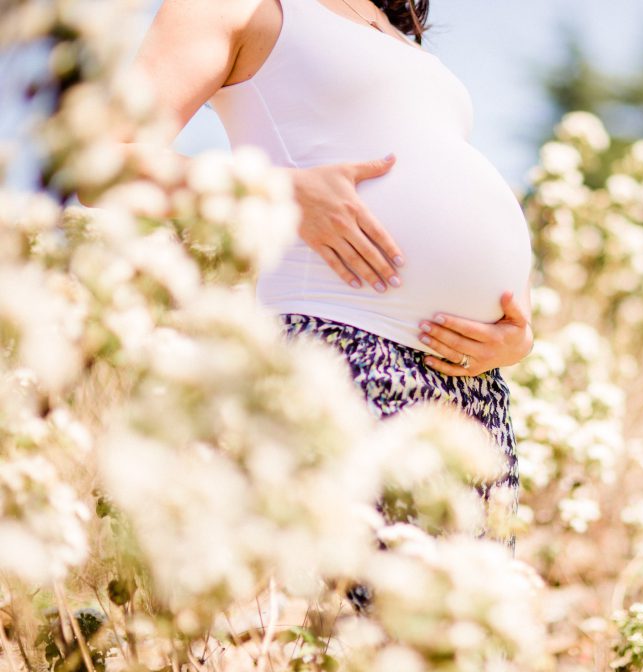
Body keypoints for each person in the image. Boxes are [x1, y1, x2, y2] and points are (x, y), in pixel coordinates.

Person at [128, 0, 535, 552]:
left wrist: (516, 334)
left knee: (473, 625)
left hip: (471, 382)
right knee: (370, 615)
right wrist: (279, 190)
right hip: (344, 344)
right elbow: (104, 160)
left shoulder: (391, 30)